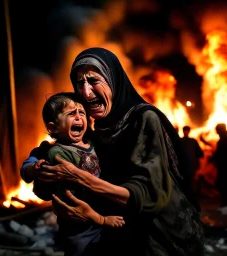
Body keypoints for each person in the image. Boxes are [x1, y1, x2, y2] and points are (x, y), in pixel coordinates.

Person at [21, 47, 205, 255]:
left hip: (161, 237)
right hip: (122, 236)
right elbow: (52, 153)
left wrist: (81, 181)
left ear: (113, 79)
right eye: (80, 83)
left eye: (93, 80)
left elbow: (148, 196)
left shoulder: (143, 119)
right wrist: (35, 168)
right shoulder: (98, 128)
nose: (85, 92)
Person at [23, 92, 125, 256]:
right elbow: (68, 199)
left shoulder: (91, 142)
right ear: (53, 127)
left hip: (103, 218)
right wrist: (102, 220)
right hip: (80, 228)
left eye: (82, 112)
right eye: (71, 113)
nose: (78, 117)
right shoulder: (58, 154)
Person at [181, 126, 204, 191]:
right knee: (189, 180)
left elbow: (199, 153)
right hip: (187, 164)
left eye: (186, 130)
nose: (185, 132)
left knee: (188, 180)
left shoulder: (182, 141)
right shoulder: (192, 141)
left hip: (187, 164)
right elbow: (200, 153)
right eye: (185, 130)